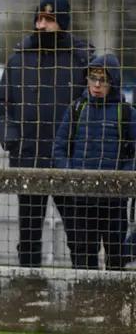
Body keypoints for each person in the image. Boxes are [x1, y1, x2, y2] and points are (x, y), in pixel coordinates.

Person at [0, 0, 94, 267]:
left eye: (49, 19)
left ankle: (83, 292)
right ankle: (28, 293)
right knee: (28, 237)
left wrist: (82, 146)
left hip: (70, 162)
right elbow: (2, 105)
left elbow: (95, 105)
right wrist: (12, 141)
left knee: (79, 236)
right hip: (28, 159)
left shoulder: (82, 59)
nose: (41, 25)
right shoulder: (18, 59)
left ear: (62, 22)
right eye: (39, 18)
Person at [52, 54, 135, 270]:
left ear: (113, 82)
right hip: (81, 199)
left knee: (115, 255)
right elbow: (59, 148)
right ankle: (82, 301)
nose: (97, 85)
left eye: (103, 80)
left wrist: (122, 177)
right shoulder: (76, 109)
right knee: (82, 254)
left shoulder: (126, 113)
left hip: (114, 200)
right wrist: (71, 173)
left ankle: (116, 302)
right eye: (93, 78)